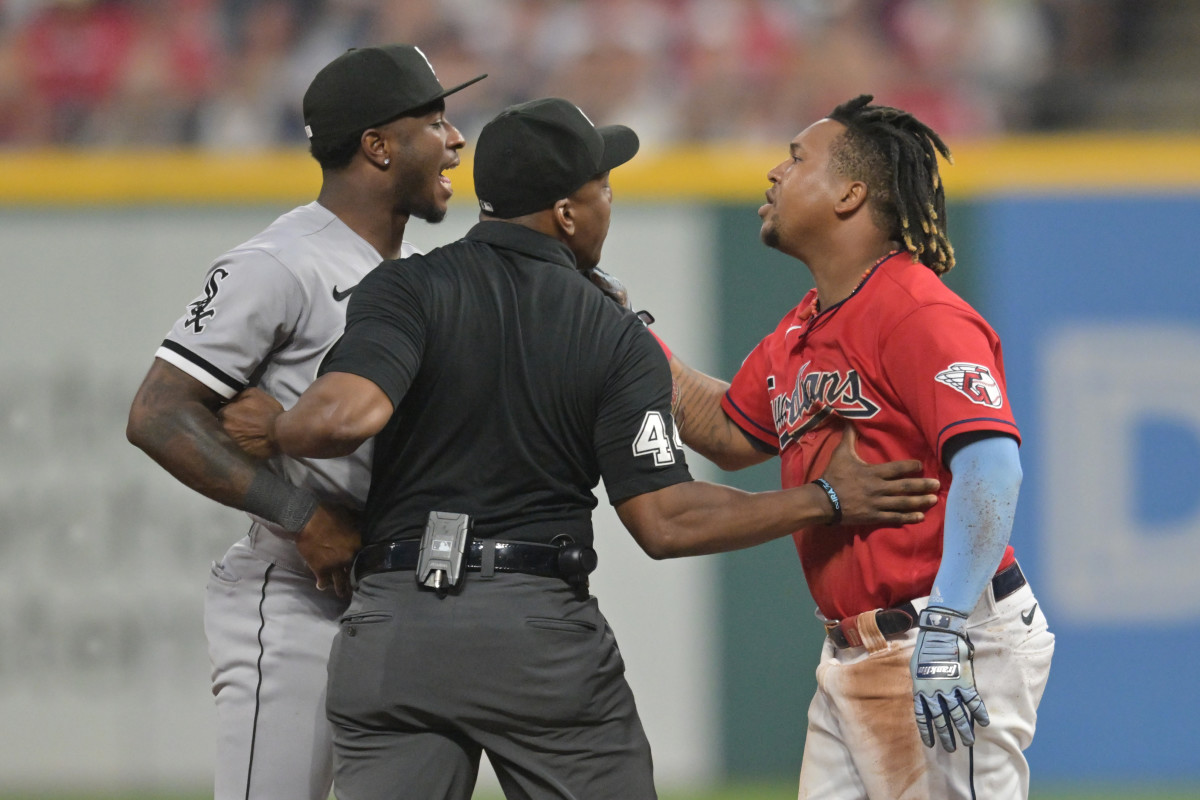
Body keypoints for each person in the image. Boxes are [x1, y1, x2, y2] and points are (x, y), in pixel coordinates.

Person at [217, 96, 941, 800]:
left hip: (394, 629)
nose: (607, 204)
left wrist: (275, 427)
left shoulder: (403, 288)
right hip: (531, 635)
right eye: (602, 190)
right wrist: (826, 500)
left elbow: (344, 414)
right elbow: (665, 522)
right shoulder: (609, 332)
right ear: (565, 214)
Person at [663, 94, 1055, 799]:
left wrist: (946, 626)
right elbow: (725, 431)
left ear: (851, 192)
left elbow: (994, 467)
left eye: (796, 158)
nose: (775, 174)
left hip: (943, 637)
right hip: (852, 653)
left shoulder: (917, 310)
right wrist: (621, 334)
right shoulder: (801, 330)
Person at [125, 45, 485, 800]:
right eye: (434, 121)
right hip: (297, 592)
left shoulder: (411, 273)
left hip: (394, 592)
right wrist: (301, 515)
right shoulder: (282, 262)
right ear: (378, 146)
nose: (454, 140)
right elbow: (157, 414)